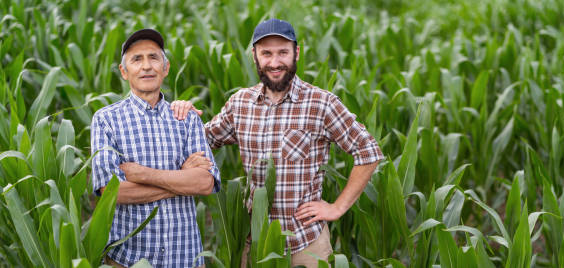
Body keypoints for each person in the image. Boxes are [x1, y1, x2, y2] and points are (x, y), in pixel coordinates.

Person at [171, 19, 383, 267]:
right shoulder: (240, 104)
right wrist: (181, 113)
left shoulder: (321, 103)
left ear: (296, 53)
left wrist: (337, 207)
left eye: (283, 52)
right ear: (254, 56)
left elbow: (368, 151)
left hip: (305, 246)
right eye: (266, 53)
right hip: (255, 244)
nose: (274, 63)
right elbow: (204, 139)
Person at [90, 28, 220, 267]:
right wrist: (182, 181)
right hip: (129, 260)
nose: (146, 66)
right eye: (136, 59)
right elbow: (112, 192)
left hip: (186, 258)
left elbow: (204, 183)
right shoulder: (106, 119)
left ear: (166, 67)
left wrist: (143, 175)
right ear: (124, 71)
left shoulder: (187, 119)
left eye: (153, 57)